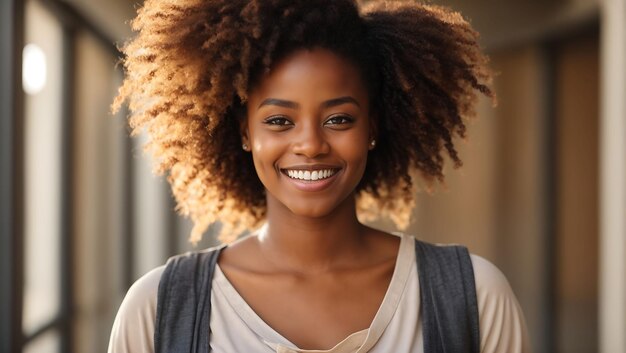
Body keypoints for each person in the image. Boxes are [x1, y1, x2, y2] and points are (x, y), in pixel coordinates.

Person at [108, 0, 531, 352]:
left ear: (373, 128)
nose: (310, 144)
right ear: (244, 131)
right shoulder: (158, 309)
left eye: (339, 118)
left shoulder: (473, 298)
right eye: (278, 120)